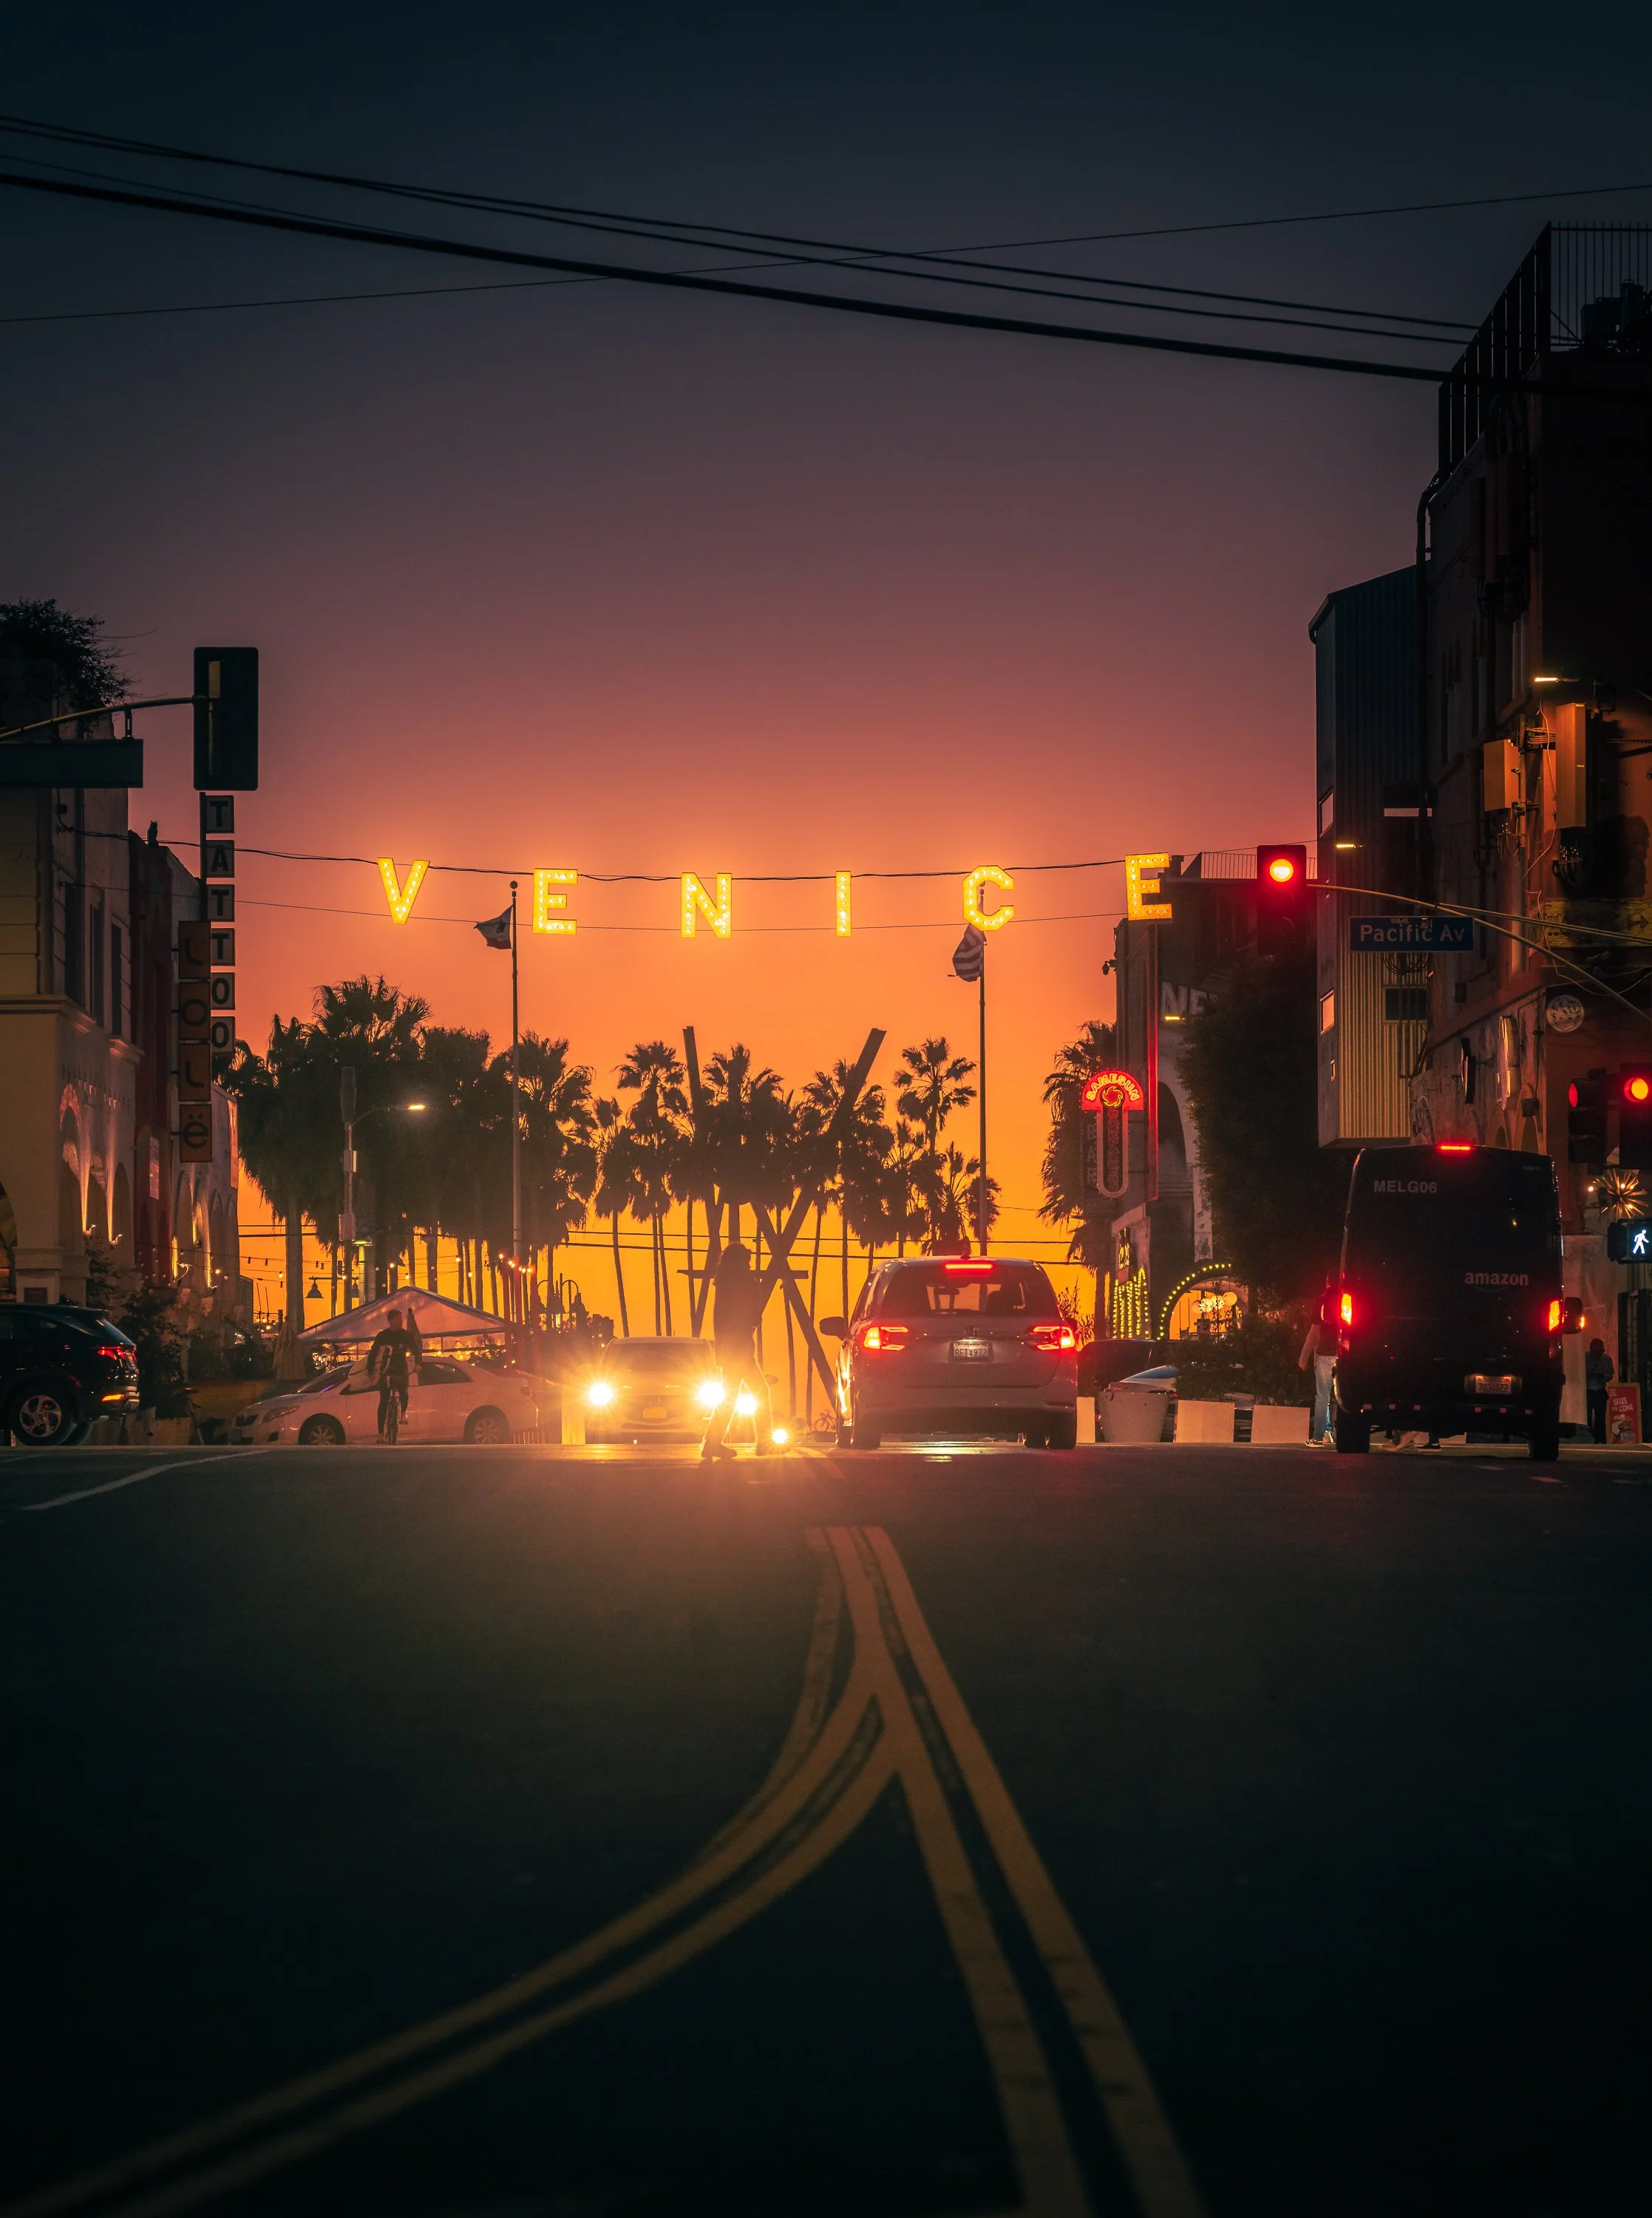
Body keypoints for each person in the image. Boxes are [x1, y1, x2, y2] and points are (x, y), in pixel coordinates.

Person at [701, 1244, 773, 1459]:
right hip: (739, 1347)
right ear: (740, 1262)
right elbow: (753, 1317)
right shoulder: (742, 1283)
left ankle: (712, 1443)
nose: (749, 1266)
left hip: (727, 1348)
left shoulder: (722, 1283)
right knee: (760, 1391)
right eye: (746, 1261)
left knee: (731, 1396)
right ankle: (764, 1442)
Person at [367, 1306, 421, 1443]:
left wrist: (418, 1364)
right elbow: (373, 1353)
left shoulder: (406, 1335)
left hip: (400, 1370)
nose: (401, 1321)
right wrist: (370, 1371)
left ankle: (403, 1414)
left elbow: (417, 1350)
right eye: (398, 1319)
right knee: (383, 1401)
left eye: (401, 1318)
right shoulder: (382, 1336)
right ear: (390, 1320)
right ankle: (380, 1434)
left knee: (404, 1392)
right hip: (386, 1371)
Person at [1299, 1278, 1337, 1444]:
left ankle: (1320, 1436)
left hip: (1325, 1354)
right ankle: (1334, 1432)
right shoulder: (1349, 1301)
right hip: (1345, 1355)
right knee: (1344, 1396)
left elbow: (1314, 1334)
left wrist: (1304, 1357)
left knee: (1323, 1397)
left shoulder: (1321, 1301)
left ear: (1327, 1282)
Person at [1585, 1335, 1614, 1443]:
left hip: (1600, 1390)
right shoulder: (1585, 1357)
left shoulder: (1606, 1359)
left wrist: (1602, 1376)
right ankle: (1588, 1438)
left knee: (1600, 1418)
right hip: (1588, 1390)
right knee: (1587, 1417)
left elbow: (1611, 1374)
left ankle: (1599, 1439)